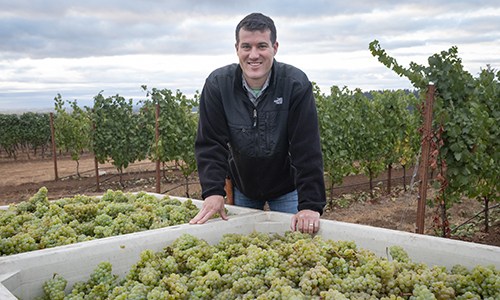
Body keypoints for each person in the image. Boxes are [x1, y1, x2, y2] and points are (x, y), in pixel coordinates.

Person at [189, 12, 326, 234]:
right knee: (241, 250)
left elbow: (306, 147)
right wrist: (213, 192)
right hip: (244, 189)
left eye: (262, 46)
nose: (254, 55)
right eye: (246, 47)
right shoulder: (218, 85)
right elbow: (211, 143)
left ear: (275, 47)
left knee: (297, 246)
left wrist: (310, 204)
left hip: (288, 189)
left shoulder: (295, 84)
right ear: (237, 49)